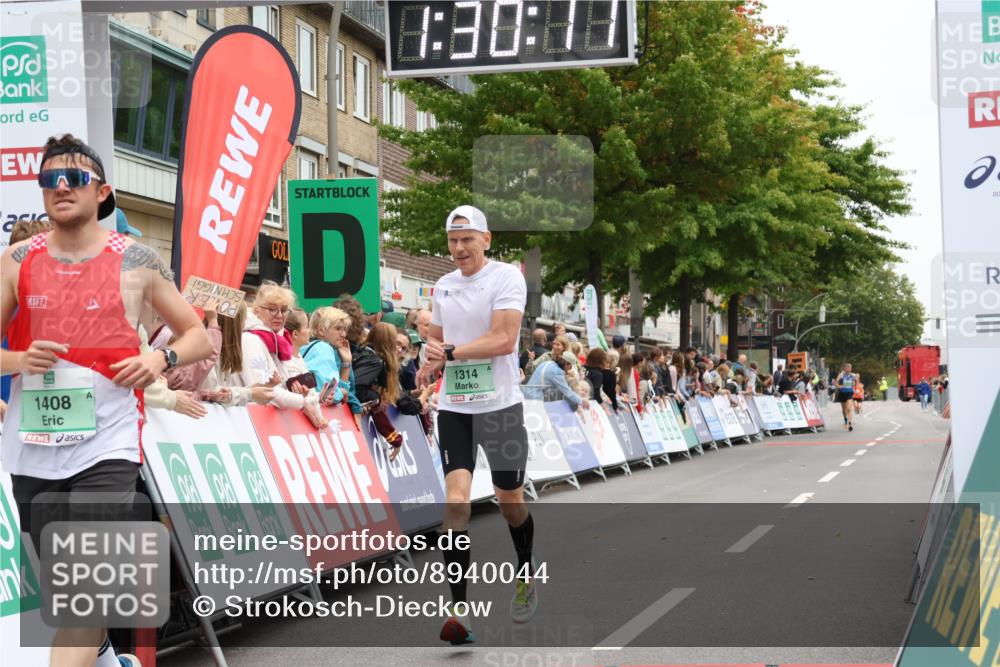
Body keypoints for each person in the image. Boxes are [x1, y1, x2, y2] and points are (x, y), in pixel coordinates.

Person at [0, 134, 213, 667]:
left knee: (84, 591)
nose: (62, 186)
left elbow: (197, 336)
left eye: (74, 177)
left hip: (108, 445)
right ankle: (102, 653)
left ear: (103, 191)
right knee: (71, 593)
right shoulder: (17, 260)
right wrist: (18, 362)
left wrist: (159, 362)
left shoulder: (137, 260)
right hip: (35, 447)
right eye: (51, 178)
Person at [414, 205, 537, 644]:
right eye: (452, 240)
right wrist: (428, 362)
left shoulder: (506, 277)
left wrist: (448, 353)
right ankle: (460, 611)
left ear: (486, 239)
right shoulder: (444, 286)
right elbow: (436, 338)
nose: (459, 248)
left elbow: (504, 339)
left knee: (509, 501)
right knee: (456, 502)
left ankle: (525, 570)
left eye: (468, 239)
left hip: (501, 406)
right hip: (457, 408)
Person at [524, 351, 588, 410]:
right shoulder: (557, 373)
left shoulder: (548, 363)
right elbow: (568, 392)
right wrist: (581, 401)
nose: (569, 369)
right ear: (567, 364)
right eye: (570, 367)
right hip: (536, 399)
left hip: (526, 393)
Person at [834, 362, 858, 431]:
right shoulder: (841, 375)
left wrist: (855, 387)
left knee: (849, 408)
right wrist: (839, 386)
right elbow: (836, 382)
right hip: (842, 393)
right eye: (847, 367)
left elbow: (856, 381)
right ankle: (845, 421)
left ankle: (850, 423)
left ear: (851, 368)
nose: (848, 368)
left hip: (849, 393)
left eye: (849, 367)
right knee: (844, 410)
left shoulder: (853, 375)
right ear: (844, 368)